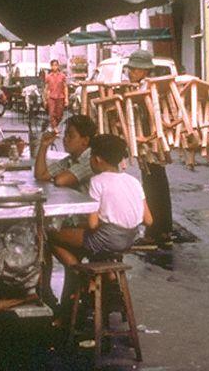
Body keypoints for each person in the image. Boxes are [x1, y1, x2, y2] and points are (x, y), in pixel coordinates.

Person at [48, 134, 153, 322]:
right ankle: (107, 282)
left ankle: (81, 275)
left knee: (51, 236)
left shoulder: (98, 181)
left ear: (96, 159)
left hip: (106, 239)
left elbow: (92, 224)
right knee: (84, 237)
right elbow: (148, 220)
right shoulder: (133, 181)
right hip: (129, 238)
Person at [126, 49, 174, 248]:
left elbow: (153, 118)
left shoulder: (148, 88)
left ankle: (154, 233)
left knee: (153, 186)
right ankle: (163, 231)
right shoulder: (147, 85)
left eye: (133, 69)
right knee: (159, 184)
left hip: (151, 144)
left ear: (142, 70)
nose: (130, 73)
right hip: (152, 143)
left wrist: (144, 137)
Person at [34, 114, 97, 191]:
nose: (65, 139)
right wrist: (44, 145)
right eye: (65, 135)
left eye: (71, 136)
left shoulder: (91, 159)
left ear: (85, 140)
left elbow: (60, 181)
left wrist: (57, 175)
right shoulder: (70, 159)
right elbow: (41, 175)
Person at [44, 59, 68, 132]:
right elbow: (46, 88)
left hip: (60, 97)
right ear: (51, 67)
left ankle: (55, 125)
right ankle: (54, 128)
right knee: (51, 113)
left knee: (59, 114)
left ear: (58, 66)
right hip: (51, 97)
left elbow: (65, 87)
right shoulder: (48, 76)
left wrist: (66, 98)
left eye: (56, 65)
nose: (54, 67)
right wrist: (45, 99)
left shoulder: (62, 76)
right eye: (53, 65)